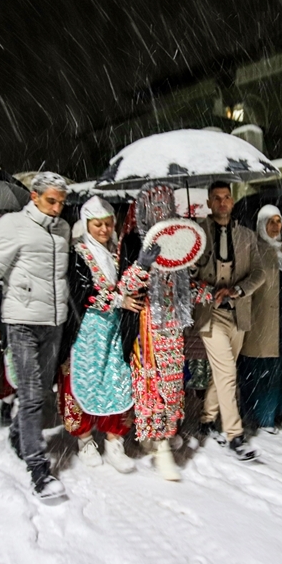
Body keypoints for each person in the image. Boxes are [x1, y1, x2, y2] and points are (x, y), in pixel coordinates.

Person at [0, 172, 71, 502]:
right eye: (51, 201)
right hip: (21, 323)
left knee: (41, 390)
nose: (57, 208)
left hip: (53, 323)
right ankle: (39, 470)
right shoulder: (12, 225)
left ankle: (18, 433)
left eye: (61, 202)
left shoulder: (63, 230)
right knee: (31, 394)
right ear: (34, 196)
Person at [118, 182, 214, 481]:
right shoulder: (136, 242)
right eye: (155, 205)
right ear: (145, 208)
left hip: (174, 326)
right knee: (152, 386)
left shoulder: (178, 242)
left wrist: (207, 293)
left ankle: (163, 432)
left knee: (173, 385)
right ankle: (159, 446)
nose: (162, 211)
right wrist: (142, 266)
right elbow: (125, 288)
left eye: (166, 205)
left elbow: (182, 287)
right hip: (149, 325)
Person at [59, 196, 141, 474]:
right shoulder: (78, 253)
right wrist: (119, 300)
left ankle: (114, 440)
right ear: (86, 225)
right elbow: (81, 293)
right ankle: (84, 440)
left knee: (117, 380)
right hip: (87, 330)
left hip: (114, 329)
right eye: (97, 224)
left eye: (107, 224)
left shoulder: (117, 254)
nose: (103, 230)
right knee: (83, 381)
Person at [192, 181, 266, 460]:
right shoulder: (196, 233)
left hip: (238, 313)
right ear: (209, 203)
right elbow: (189, 274)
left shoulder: (247, 236)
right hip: (211, 315)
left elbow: (260, 274)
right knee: (227, 375)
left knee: (223, 372)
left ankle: (207, 418)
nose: (222, 203)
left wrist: (237, 289)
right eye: (216, 198)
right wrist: (197, 268)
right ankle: (235, 435)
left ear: (232, 202)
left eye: (226, 198)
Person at [238, 205, 282, 432]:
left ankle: (281, 412)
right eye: (270, 221)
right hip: (263, 319)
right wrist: (242, 320)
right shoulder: (253, 250)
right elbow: (244, 286)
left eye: (278, 221)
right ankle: (262, 417)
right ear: (261, 224)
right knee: (264, 369)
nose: (275, 226)